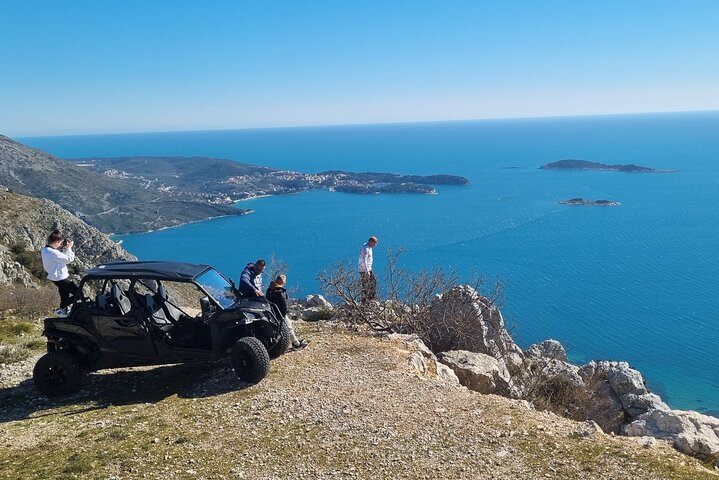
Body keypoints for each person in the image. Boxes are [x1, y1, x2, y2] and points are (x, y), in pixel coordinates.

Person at [40, 229, 78, 317]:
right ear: (57, 241)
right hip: (60, 277)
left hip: (55, 277)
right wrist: (69, 248)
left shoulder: (45, 250)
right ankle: (60, 310)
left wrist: (65, 249)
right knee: (79, 294)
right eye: (60, 243)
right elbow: (68, 259)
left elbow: (60, 258)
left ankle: (62, 312)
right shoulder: (53, 252)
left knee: (64, 296)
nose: (61, 244)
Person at [266, 274, 307, 350]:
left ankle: (295, 341)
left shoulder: (270, 290)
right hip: (280, 313)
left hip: (272, 312)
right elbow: (284, 306)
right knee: (289, 327)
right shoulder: (281, 293)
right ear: (283, 283)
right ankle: (296, 344)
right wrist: (283, 315)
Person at [358, 236, 378, 302]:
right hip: (365, 270)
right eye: (375, 243)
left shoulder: (368, 247)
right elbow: (364, 260)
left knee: (372, 282)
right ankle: (366, 300)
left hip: (368, 269)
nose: (375, 245)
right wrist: (367, 271)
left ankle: (369, 298)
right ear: (371, 242)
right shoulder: (366, 249)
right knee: (366, 284)